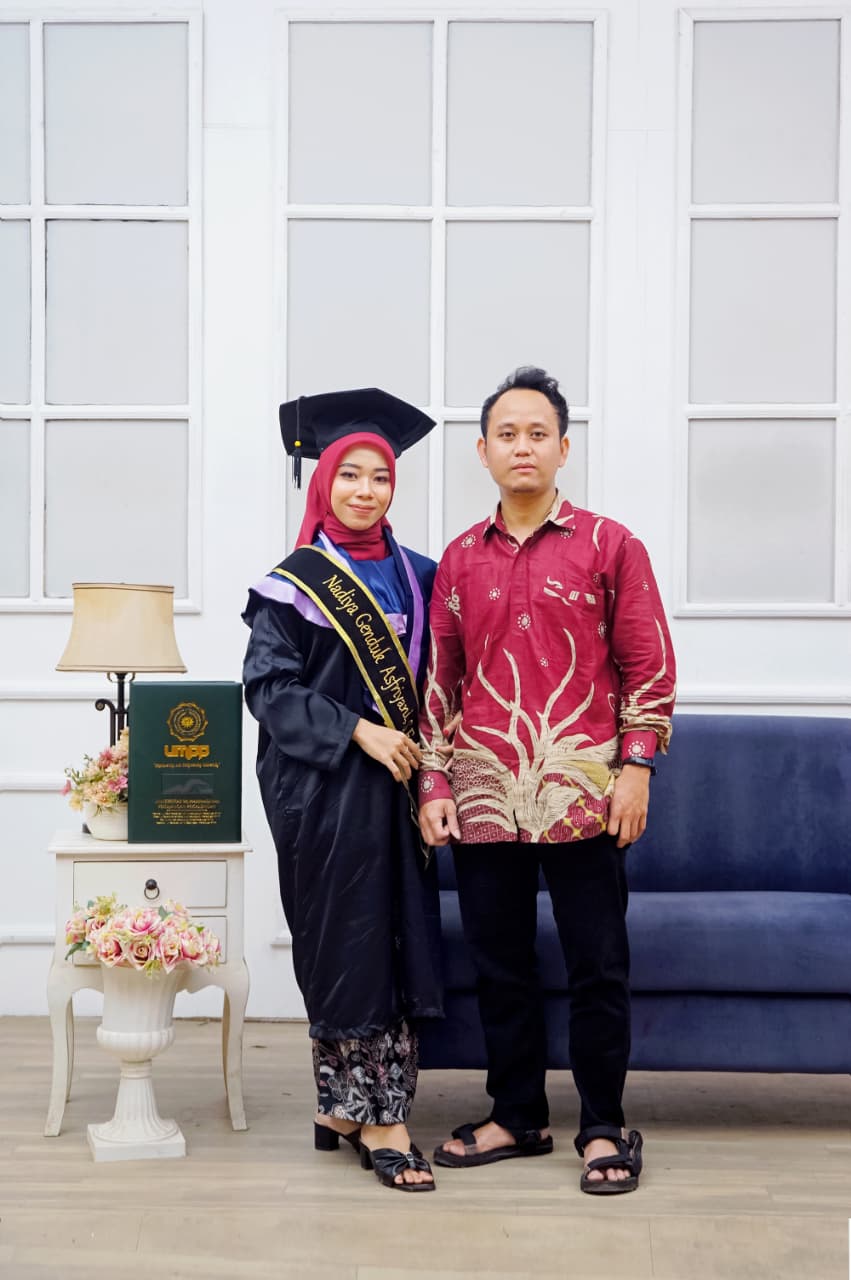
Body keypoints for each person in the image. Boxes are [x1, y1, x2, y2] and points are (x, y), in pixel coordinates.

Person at [418, 366, 676, 1195]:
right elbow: (440, 683)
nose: (521, 446)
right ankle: (516, 1115)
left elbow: (648, 667)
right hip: (484, 794)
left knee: (597, 966)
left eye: (537, 433)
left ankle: (602, 1127)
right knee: (499, 966)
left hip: (584, 794)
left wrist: (635, 768)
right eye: (506, 434)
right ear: (483, 452)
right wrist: (434, 784)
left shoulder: (610, 545)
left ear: (564, 449)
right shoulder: (458, 560)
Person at [242, 387, 444, 1192]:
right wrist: (359, 730)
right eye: (350, 475)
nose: (366, 490)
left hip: (397, 788)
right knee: (346, 944)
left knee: (394, 940)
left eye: (380, 476)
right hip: (323, 790)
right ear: (323, 481)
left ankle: (345, 1109)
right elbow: (269, 689)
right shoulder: (293, 583)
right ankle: (381, 1122)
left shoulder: (419, 575)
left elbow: (441, 686)